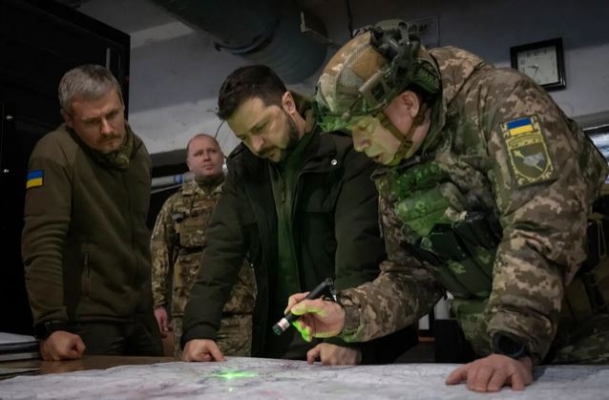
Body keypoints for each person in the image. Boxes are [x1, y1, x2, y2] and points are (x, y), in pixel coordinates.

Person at [286, 19, 609, 392]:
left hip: (590, 344)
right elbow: (412, 276)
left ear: (407, 103)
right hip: (502, 357)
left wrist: (513, 341)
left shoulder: (502, 103)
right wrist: (347, 314)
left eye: (363, 128)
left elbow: (541, 221)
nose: (358, 146)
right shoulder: (396, 162)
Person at [181, 64, 418, 365]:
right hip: (283, 339)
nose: (256, 145)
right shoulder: (246, 170)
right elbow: (220, 250)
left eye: (261, 128)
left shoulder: (345, 150)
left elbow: (358, 249)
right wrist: (199, 329)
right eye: (244, 137)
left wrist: (344, 334)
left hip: (358, 336)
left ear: (288, 104)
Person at [22, 64, 163, 361]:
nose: (107, 129)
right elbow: (42, 241)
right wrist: (50, 325)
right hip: (89, 322)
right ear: (69, 120)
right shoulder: (54, 153)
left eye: (112, 114)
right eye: (92, 121)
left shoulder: (139, 154)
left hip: (141, 317)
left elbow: (138, 233)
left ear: (123, 104)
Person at [150, 133, 256, 357]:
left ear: (222, 156)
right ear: (189, 163)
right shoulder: (175, 204)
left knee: (242, 381)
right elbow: (159, 254)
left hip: (237, 311)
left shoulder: (242, 197)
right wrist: (158, 303)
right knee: (193, 382)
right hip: (188, 313)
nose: (206, 157)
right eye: (199, 154)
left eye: (212, 151)